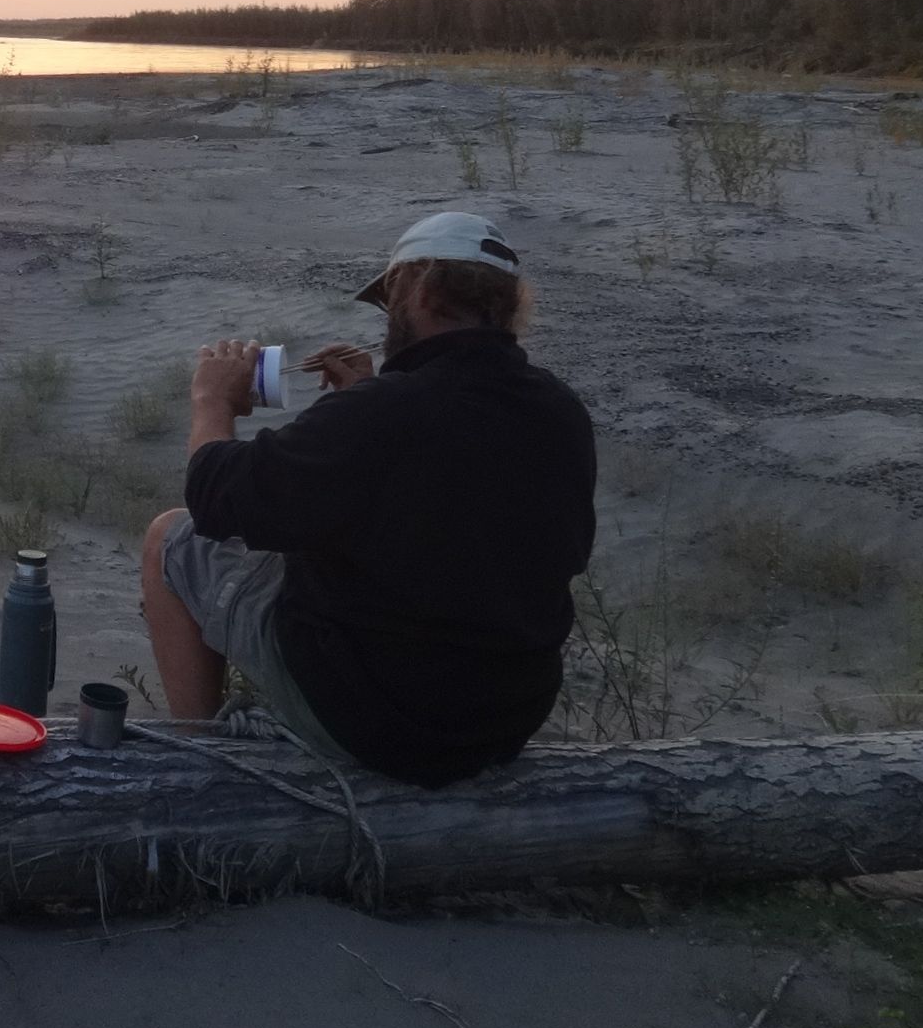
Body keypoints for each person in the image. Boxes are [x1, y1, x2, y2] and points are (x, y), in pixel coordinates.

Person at [139, 211, 596, 786]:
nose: (386, 318)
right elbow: (462, 511)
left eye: (389, 299)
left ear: (418, 289)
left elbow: (216, 499)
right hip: (503, 722)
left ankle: (198, 761)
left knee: (170, 539)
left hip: (379, 723)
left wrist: (212, 403)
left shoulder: (385, 413)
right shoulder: (560, 410)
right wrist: (365, 394)